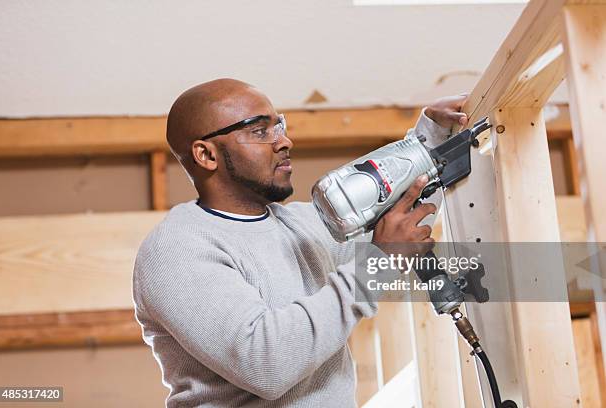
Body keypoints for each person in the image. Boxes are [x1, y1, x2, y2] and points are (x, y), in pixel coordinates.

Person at [132, 78, 468, 407]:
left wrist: (430, 139)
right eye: (260, 131)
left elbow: (408, 224)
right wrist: (377, 261)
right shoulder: (177, 250)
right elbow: (267, 364)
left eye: (280, 126)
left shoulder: (303, 226)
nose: (284, 141)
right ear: (206, 154)